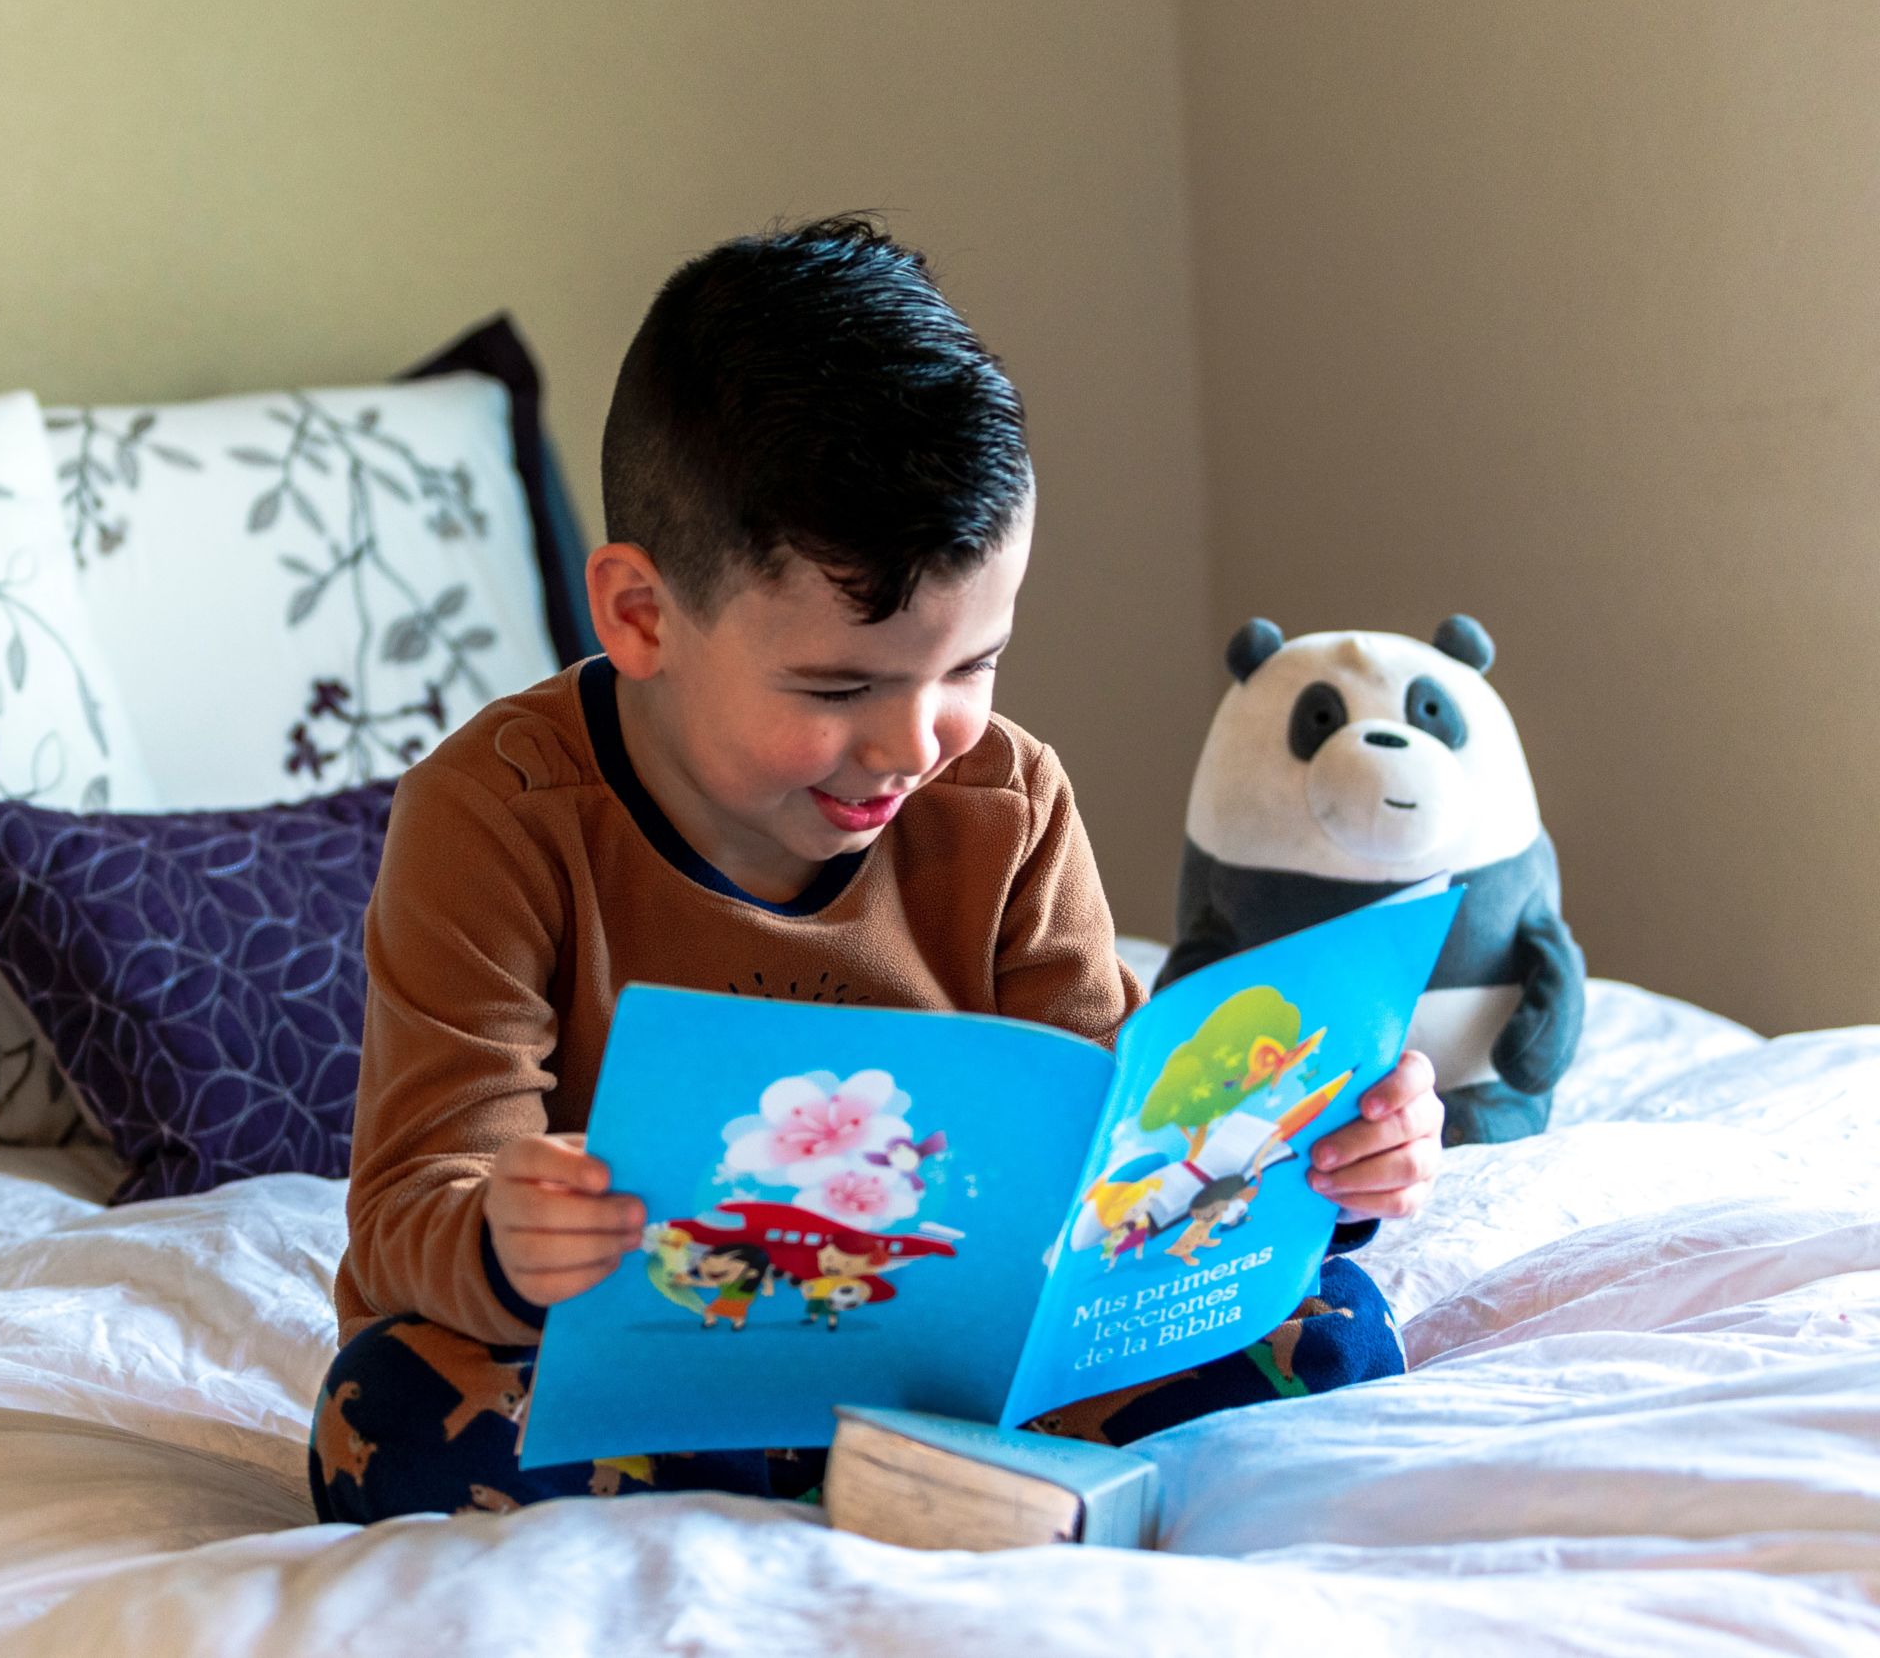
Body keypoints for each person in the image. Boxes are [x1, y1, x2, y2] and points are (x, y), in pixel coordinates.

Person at [309, 214, 1444, 1524]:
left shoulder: (1005, 798)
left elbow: (1115, 1155)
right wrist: (507, 1238)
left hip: (963, 1357)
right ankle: (921, 1486)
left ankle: (891, 1470)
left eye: (971, 667)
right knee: (389, 1418)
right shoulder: (497, 815)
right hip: (640, 1360)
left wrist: (1318, 1161)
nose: (914, 743)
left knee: (1337, 1329)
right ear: (639, 616)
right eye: (838, 685)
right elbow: (411, 1204)